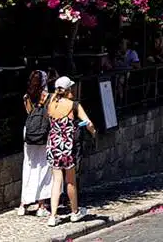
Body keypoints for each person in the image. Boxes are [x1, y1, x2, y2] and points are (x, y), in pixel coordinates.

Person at [46, 76, 96, 227]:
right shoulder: (74, 105)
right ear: (68, 89)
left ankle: (53, 216)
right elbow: (88, 122)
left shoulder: (51, 104)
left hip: (53, 145)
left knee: (56, 181)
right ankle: (75, 212)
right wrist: (93, 132)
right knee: (71, 182)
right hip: (67, 147)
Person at [18, 70, 52, 217]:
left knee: (29, 167)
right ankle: (41, 205)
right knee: (44, 168)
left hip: (29, 133)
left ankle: (23, 204)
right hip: (43, 133)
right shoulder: (48, 98)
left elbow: (30, 114)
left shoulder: (26, 97)